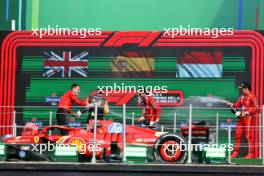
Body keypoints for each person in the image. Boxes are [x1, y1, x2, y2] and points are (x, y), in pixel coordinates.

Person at [226, 82, 258, 158]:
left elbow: (256, 108)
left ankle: (251, 154)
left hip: (248, 118)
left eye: (242, 89)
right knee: (237, 134)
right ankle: (235, 152)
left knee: (248, 136)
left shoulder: (252, 96)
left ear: (246, 88)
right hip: (241, 118)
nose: (241, 90)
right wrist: (231, 104)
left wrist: (247, 113)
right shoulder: (241, 97)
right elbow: (237, 105)